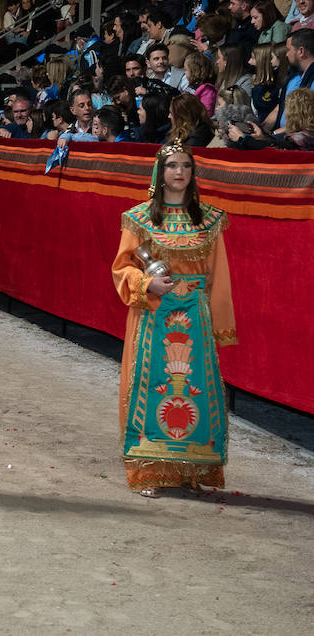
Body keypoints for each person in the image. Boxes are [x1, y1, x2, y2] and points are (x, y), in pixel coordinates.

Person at [110, 142, 234, 498]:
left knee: (195, 392)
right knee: (149, 389)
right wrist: (148, 283)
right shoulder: (139, 219)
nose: (180, 172)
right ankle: (148, 470)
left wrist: (218, 324)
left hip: (194, 318)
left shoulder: (209, 220)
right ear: (159, 174)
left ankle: (188, 469)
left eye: (186, 166)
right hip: (153, 316)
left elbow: (217, 276)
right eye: (172, 166)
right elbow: (121, 268)